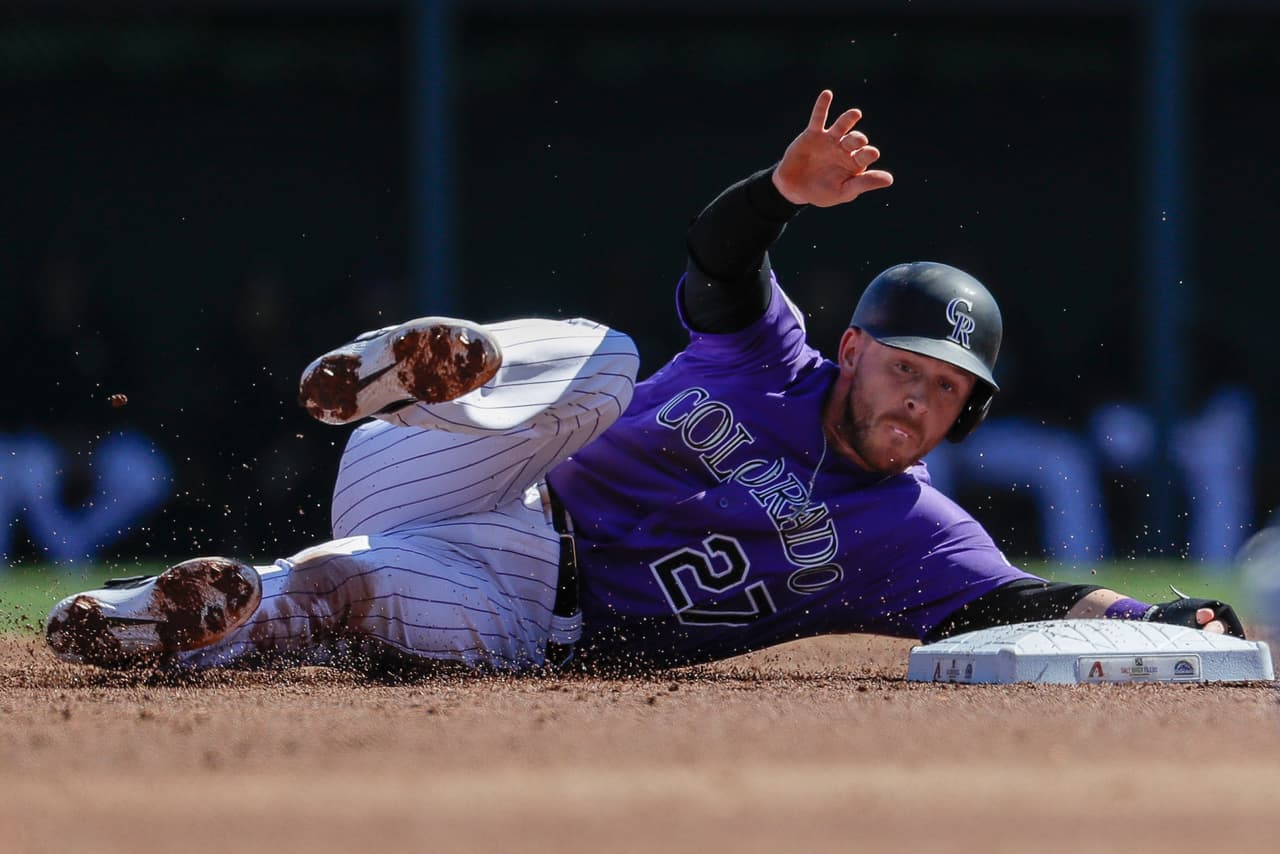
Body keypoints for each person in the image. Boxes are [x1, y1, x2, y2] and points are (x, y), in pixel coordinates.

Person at [45, 90, 1244, 674]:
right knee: (612, 356)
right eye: (909, 369)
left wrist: (1172, 620)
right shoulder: (768, 354)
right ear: (858, 343)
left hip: (526, 611)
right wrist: (778, 193)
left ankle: (160, 615)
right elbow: (721, 261)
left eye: (949, 394)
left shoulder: (911, 530)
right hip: (470, 464)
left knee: (327, 591)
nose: (921, 403)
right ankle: (420, 371)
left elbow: (1021, 597)